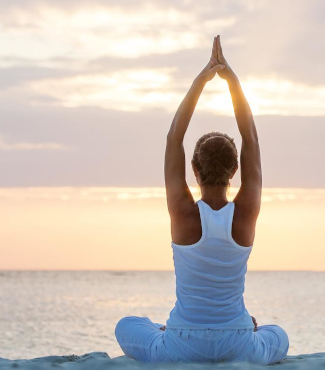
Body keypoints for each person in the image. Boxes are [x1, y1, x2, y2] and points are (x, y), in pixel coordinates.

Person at [114, 35, 288, 365]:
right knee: (278, 334)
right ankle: (242, 327)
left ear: (193, 168)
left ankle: (167, 330)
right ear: (235, 170)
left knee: (127, 325)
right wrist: (231, 81)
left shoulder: (182, 213)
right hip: (238, 343)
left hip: (181, 343)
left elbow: (173, 138)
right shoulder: (246, 213)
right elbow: (250, 135)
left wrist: (202, 80)